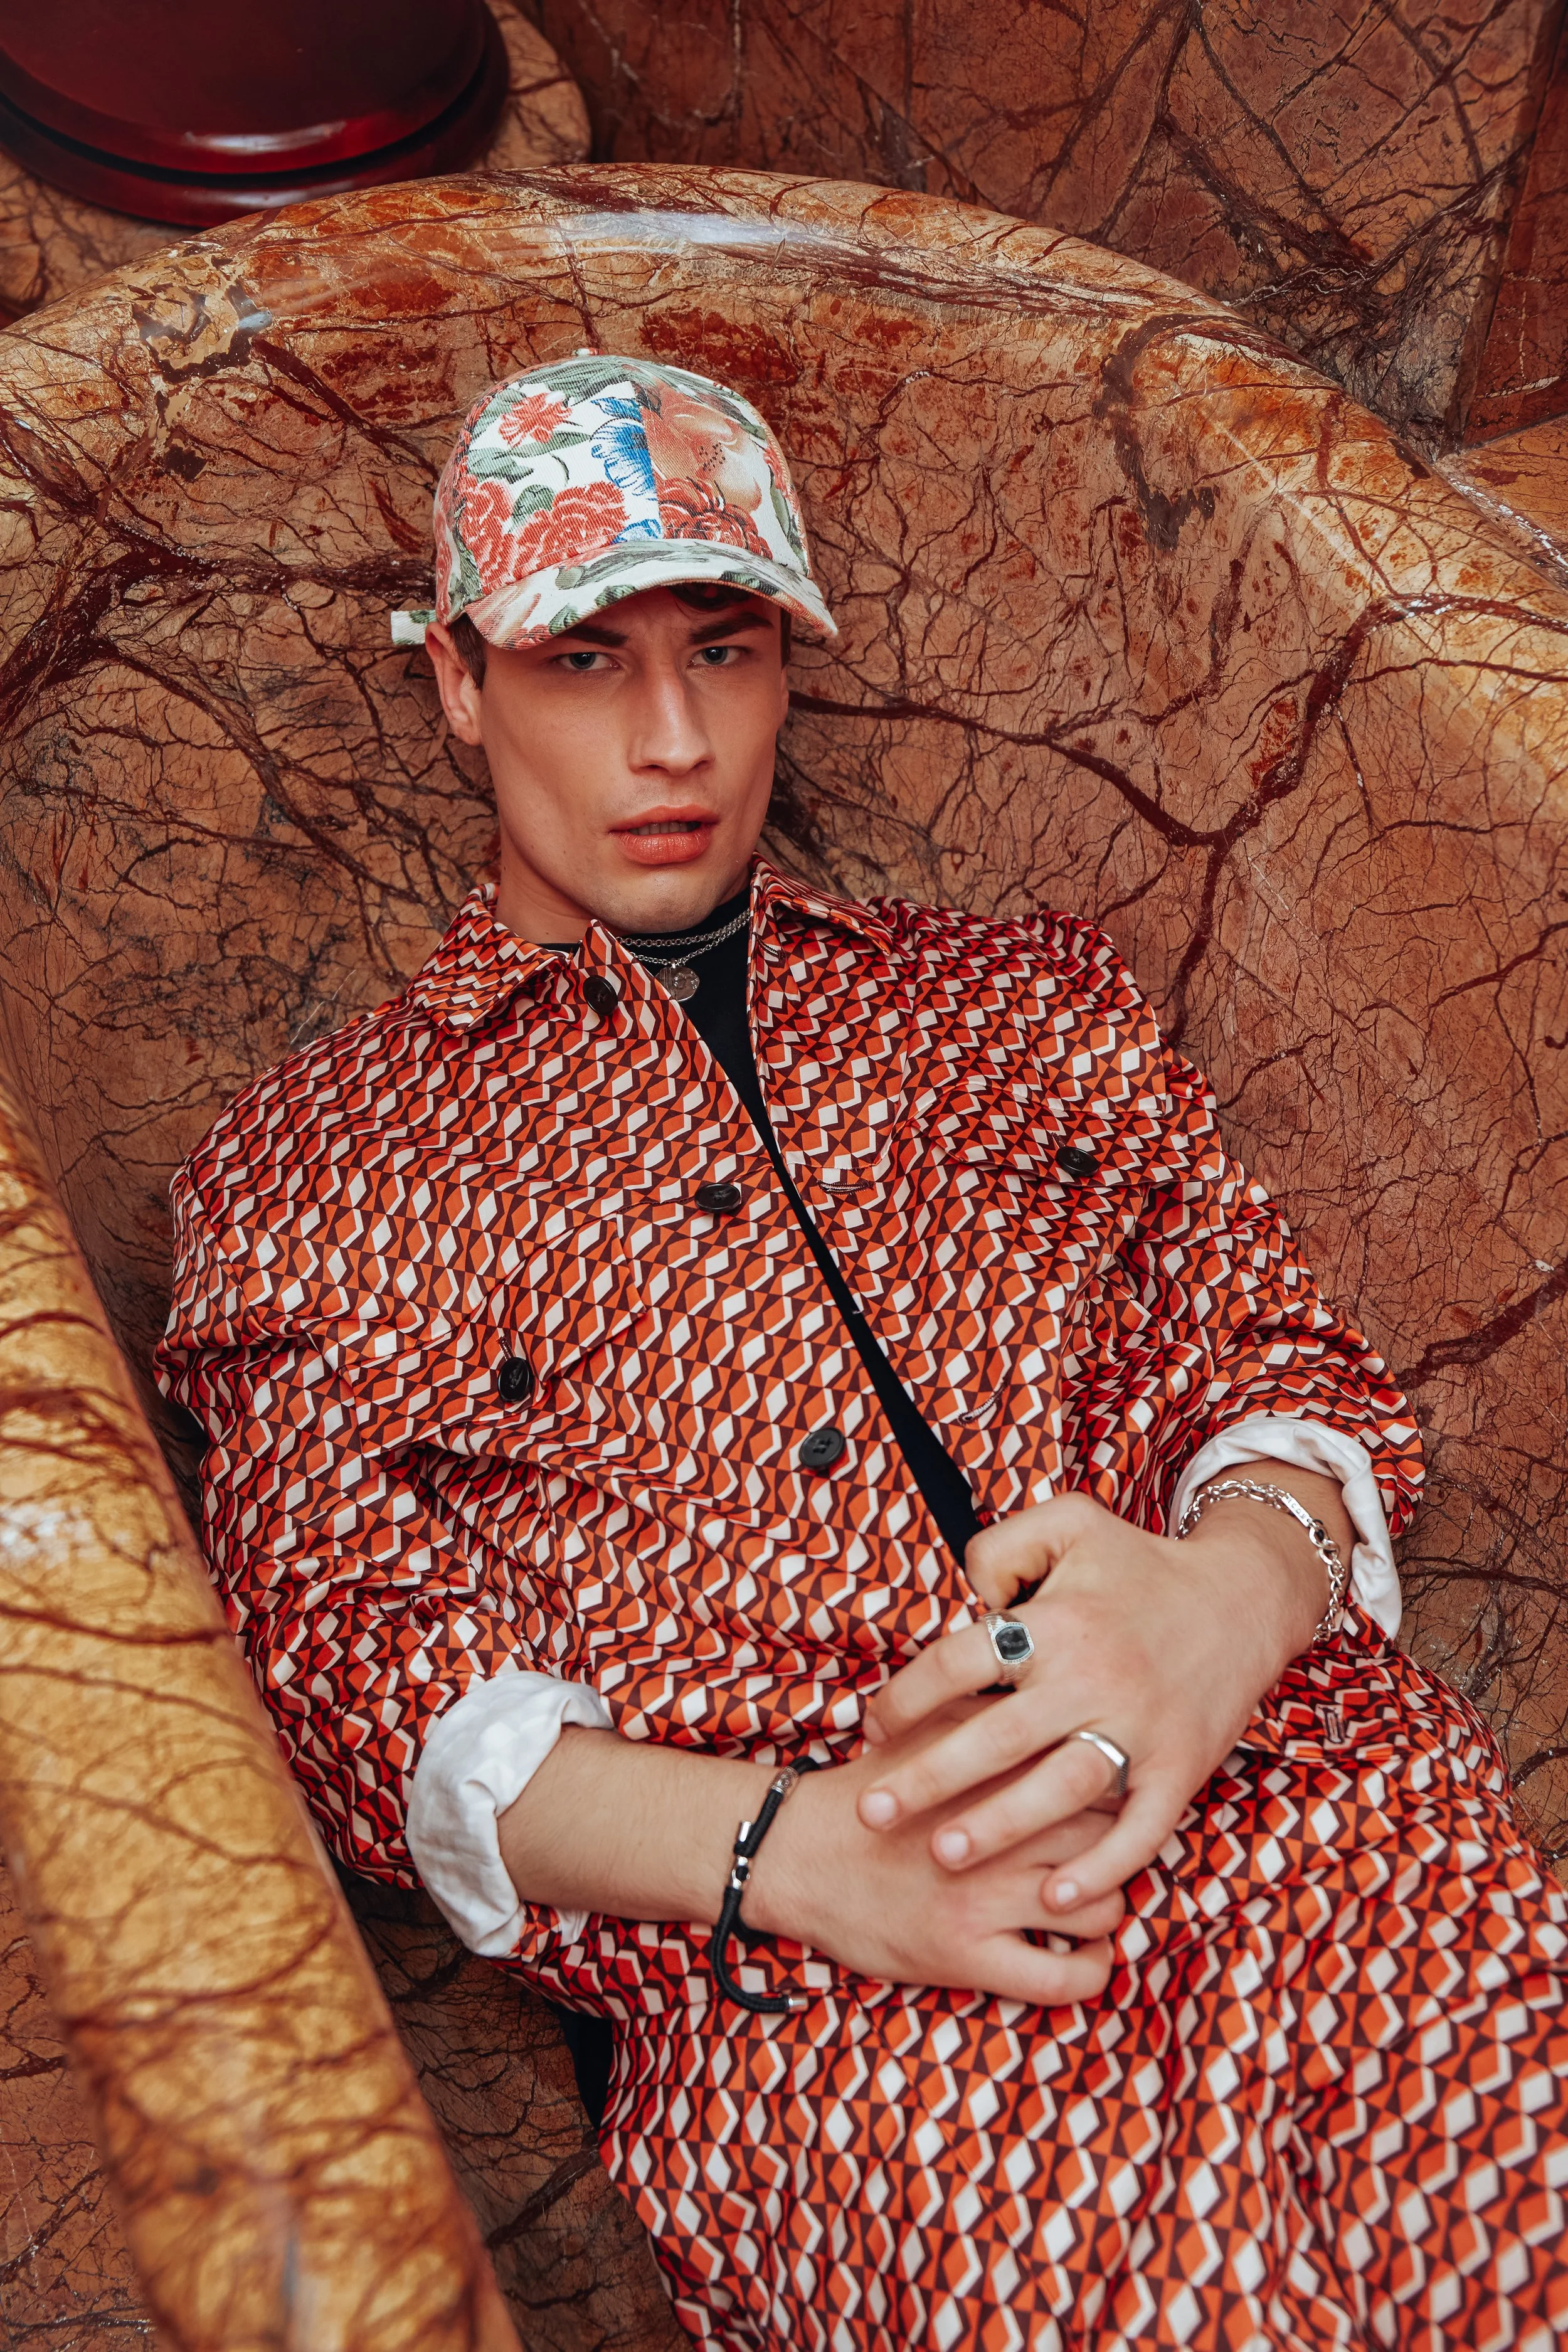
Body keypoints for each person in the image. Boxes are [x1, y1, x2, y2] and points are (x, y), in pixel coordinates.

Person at [158, 354, 1568, 2351]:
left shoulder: (1017, 994)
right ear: (460, 678)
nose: (670, 740)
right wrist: (799, 1859)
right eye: (582, 659)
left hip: (1309, 1810)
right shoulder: (315, 1169)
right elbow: (360, 1687)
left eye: (720, 648)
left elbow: (1269, 1352)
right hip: (838, 2003)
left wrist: (1225, 1602)